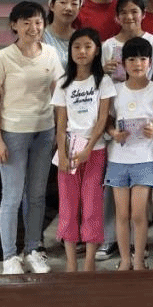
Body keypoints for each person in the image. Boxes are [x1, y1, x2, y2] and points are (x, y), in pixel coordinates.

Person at [0, 1, 64, 275]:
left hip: (44, 132)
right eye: (26, 22)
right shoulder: (2, 58)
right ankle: (9, 256)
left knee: (37, 195)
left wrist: (60, 131)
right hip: (13, 134)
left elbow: (58, 95)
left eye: (38, 22)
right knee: (12, 196)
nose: (33, 27)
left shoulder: (51, 53)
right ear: (14, 25)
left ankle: (32, 250)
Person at [52, 28, 115, 272]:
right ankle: (71, 263)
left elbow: (102, 119)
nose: (82, 51)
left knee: (91, 205)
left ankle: (89, 261)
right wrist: (63, 154)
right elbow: (60, 124)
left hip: (94, 150)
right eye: (77, 46)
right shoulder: (63, 83)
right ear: (70, 50)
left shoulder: (103, 81)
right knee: (68, 206)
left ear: (96, 50)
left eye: (88, 46)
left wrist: (89, 147)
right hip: (69, 150)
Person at [104, 36, 153, 270]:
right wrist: (114, 133)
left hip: (145, 159)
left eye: (142, 59)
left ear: (150, 62)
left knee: (138, 215)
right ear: (123, 63)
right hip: (118, 159)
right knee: (122, 215)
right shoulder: (116, 90)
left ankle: (139, 260)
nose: (137, 64)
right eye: (131, 59)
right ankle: (124, 260)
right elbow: (107, 120)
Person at [102, 0, 153, 91]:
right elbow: (100, 81)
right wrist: (104, 71)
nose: (129, 17)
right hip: (116, 98)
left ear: (143, 14)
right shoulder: (108, 45)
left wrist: (148, 93)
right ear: (117, 16)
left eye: (134, 12)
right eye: (123, 12)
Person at [43, 0, 83, 68]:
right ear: (52, 6)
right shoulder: (40, 37)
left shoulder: (82, 38)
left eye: (74, 4)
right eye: (63, 2)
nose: (68, 8)